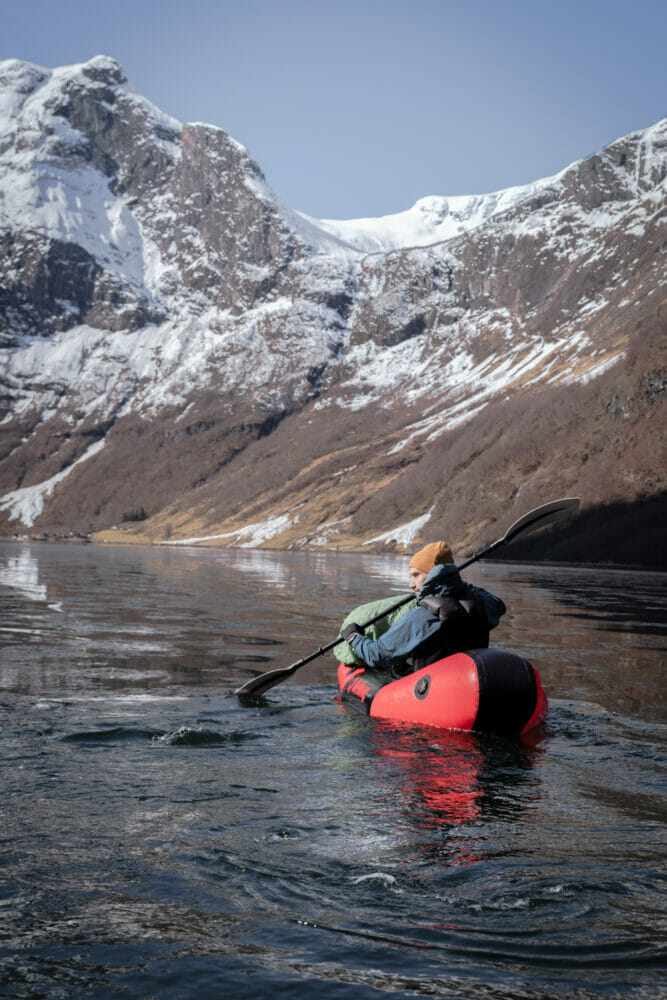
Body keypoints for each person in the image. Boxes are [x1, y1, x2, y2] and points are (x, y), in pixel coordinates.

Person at [340, 541, 506, 675]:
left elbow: (378, 655)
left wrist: (354, 637)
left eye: (416, 575)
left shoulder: (422, 615)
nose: (411, 584)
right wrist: (456, 583)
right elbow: (498, 604)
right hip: (471, 682)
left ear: (433, 574)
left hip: (430, 693)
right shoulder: (484, 604)